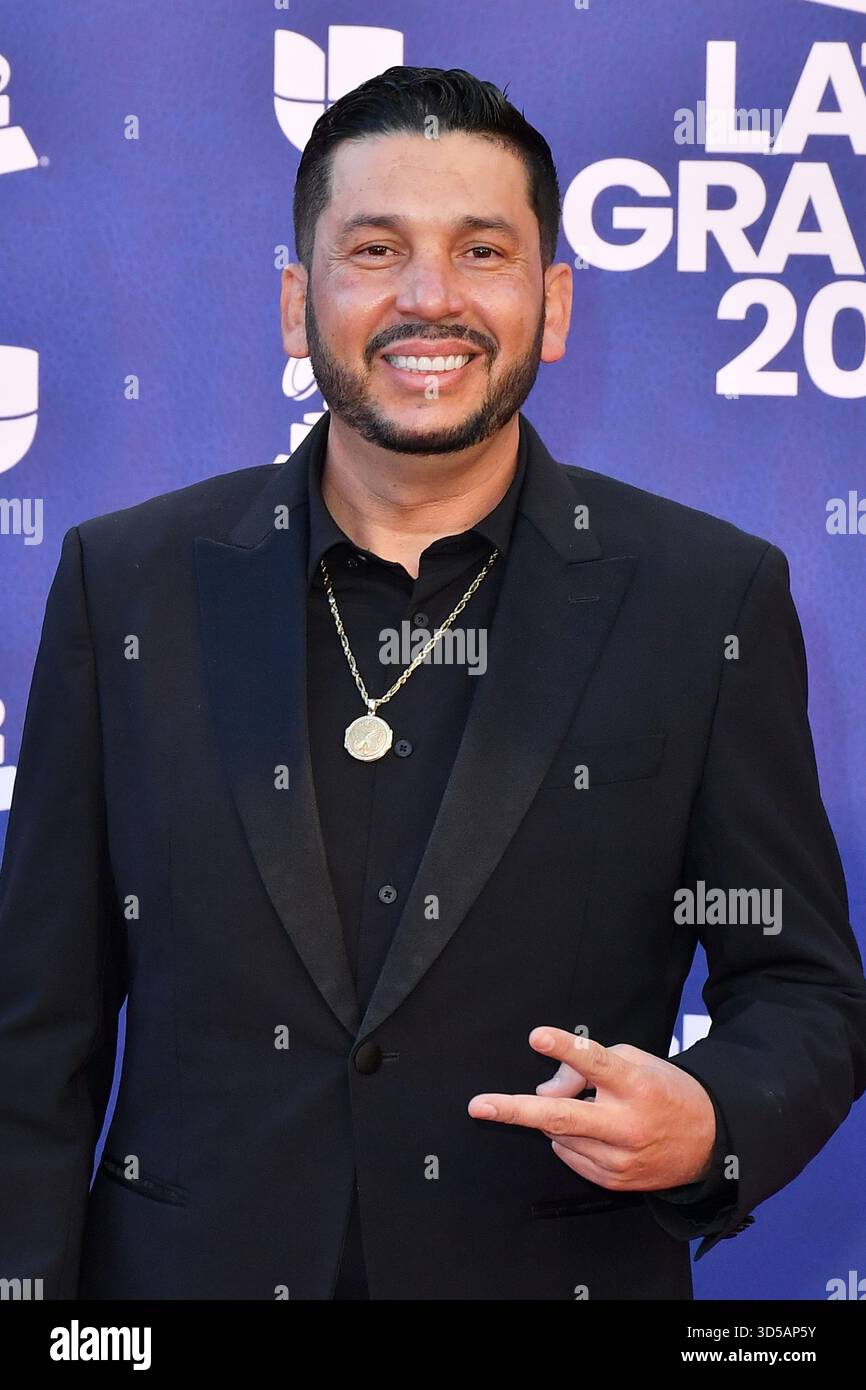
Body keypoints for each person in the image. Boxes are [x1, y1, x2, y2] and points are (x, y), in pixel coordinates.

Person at [1, 66, 864, 1302]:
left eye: (481, 251)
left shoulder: (703, 599)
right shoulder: (125, 586)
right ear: (298, 305)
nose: (427, 299)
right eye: (373, 249)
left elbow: (801, 985)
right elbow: (33, 1031)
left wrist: (710, 1119)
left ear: (552, 305)